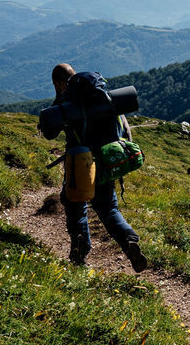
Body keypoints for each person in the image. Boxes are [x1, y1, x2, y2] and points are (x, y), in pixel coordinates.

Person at [48, 62, 147, 272]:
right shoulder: (101, 95)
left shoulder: (67, 101)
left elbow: (50, 132)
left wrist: (59, 97)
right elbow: (126, 131)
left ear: (58, 82)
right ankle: (129, 240)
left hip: (80, 164)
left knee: (76, 207)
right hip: (106, 159)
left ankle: (79, 254)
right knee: (109, 208)